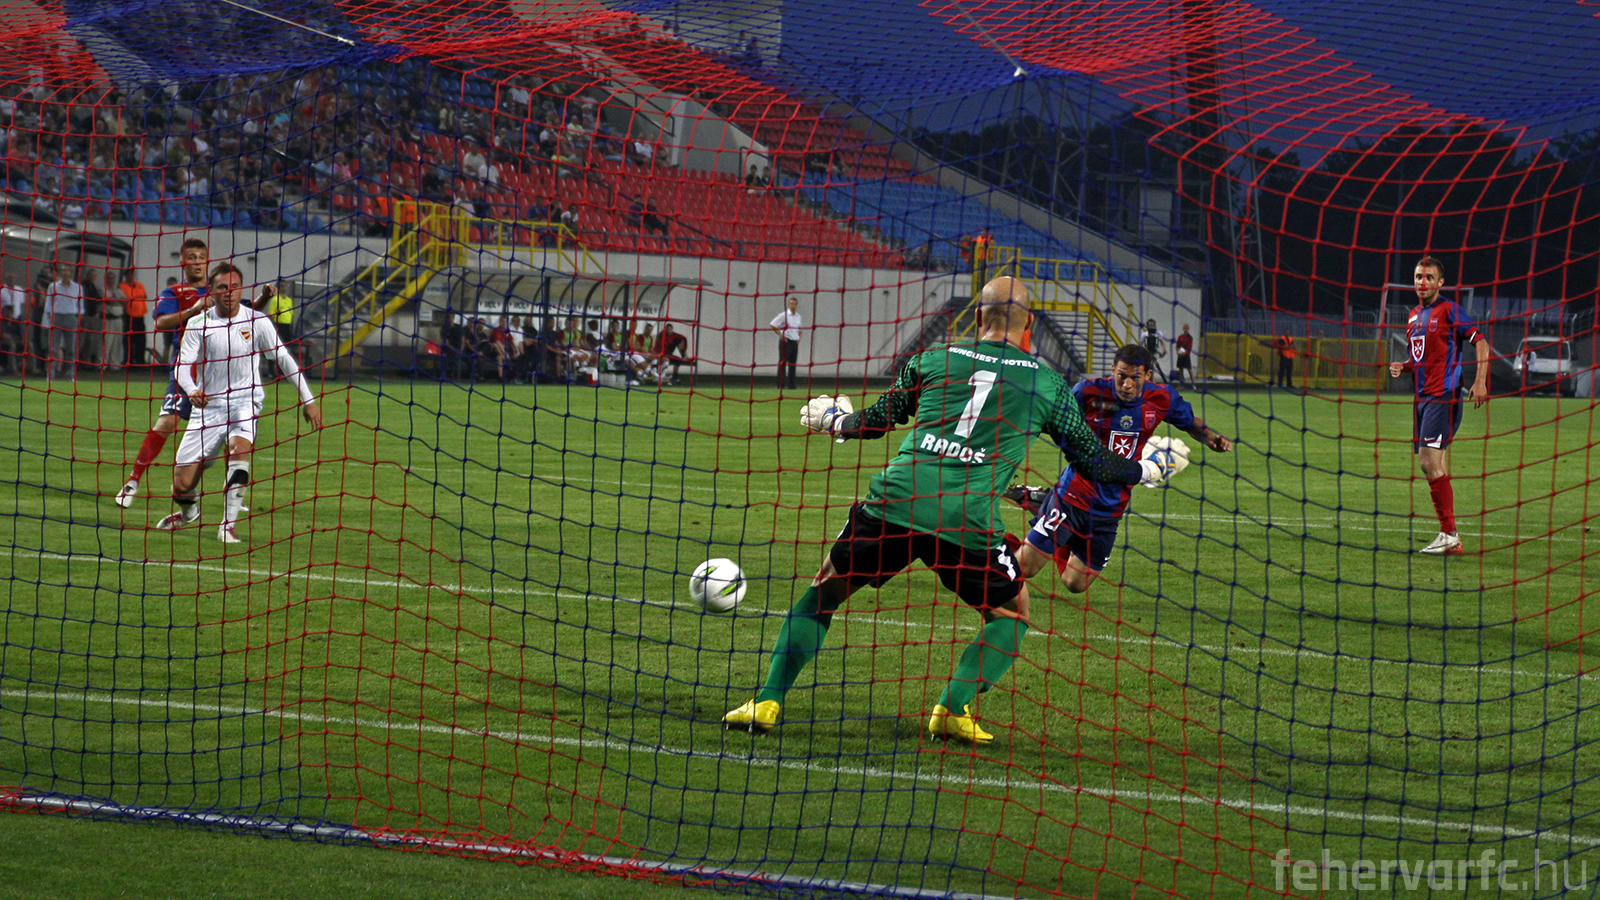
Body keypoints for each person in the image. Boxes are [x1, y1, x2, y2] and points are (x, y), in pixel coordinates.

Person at [722, 277, 1190, 744]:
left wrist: (835, 420)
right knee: (1012, 614)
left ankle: (766, 701)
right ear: (1029, 323)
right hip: (967, 521)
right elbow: (1095, 463)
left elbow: (878, 421)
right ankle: (951, 708)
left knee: (822, 594)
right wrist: (1147, 468)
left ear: (978, 316)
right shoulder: (1046, 382)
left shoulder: (931, 359)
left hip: (897, 501)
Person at [1003, 344, 1231, 594]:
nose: (1126, 385)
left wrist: (1212, 439)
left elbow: (1190, 423)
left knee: (1075, 583)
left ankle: (1041, 505)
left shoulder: (1161, 398)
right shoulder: (1088, 392)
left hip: (1112, 505)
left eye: (1134, 378)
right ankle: (994, 552)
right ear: (1113, 370)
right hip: (1072, 495)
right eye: (1121, 376)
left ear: (1148, 376)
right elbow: (1050, 416)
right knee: (1026, 568)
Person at [154, 263, 322, 543]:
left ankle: (227, 526)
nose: (229, 292)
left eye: (234, 287)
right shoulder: (198, 323)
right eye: (222, 287)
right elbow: (182, 367)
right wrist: (192, 389)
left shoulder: (257, 321)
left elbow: (284, 360)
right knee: (181, 485)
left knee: (239, 449)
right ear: (211, 291)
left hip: (245, 401)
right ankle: (188, 513)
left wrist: (309, 401)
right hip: (208, 408)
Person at [1387, 255, 1491, 556]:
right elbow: (1422, 359)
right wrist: (1405, 366)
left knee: (1428, 462)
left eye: (1429, 277)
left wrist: (1480, 382)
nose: (1423, 282)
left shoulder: (1450, 310)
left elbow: (1481, 342)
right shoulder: (1412, 316)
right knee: (1435, 464)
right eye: (1419, 277)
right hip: (1421, 399)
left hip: (1443, 396)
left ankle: (1449, 534)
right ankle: (1450, 536)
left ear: (1440, 282)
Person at [114, 238, 210, 508]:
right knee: (167, 422)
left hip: (218, 370)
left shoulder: (219, 289)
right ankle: (132, 481)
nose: (197, 262)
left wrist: (264, 298)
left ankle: (231, 495)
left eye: (201, 257)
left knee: (228, 433)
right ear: (183, 262)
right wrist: (193, 310)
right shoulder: (174, 292)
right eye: (191, 257)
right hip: (186, 368)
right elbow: (161, 322)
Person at [43, 264, 83, 381]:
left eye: (67, 271)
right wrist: (49, 315)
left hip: (71, 317)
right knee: (53, 348)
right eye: (63, 271)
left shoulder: (77, 287)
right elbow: (49, 301)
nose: (65, 273)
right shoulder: (53, 286)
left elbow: (81, 304)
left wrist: (79, 317)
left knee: (71, 348)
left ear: (71, 273)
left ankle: (71, 375)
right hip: (57, 316)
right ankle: (51, 374)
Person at [769, 296, 803, 391]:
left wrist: (799, 338)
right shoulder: (784, 315)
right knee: (783, 363)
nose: (793, 305)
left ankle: (791, 384)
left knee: (792, 364)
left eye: (795, 304)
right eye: (791, 304)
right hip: (786, 341)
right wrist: (781, 335)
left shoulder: (798, 317)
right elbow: (773, 324)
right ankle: (780, 384)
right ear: (789, 305)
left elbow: (800, 329)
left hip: (794, 342)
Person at [120, 268, 148, 367]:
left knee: (141, 340)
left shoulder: (140, 285)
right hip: (129, 316)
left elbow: (144, 295)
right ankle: (129, 361)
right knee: (129, 340)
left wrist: (135, 297)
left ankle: (140, 362)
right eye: (129, 275)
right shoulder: (123, 286)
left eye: (133, 274)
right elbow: (126, 298)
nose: (131, 277)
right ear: (126, 276)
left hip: (140, 315)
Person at [0, 275, 26, 375]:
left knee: (28, 345)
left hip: (17, 317)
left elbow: (21, 303)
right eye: (10, 278)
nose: (12, 280)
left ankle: (31, 368)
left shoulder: (19, 290)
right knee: (12, 345)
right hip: (5, 337)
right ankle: (12, 369)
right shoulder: (2, 290)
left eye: (14, 278)